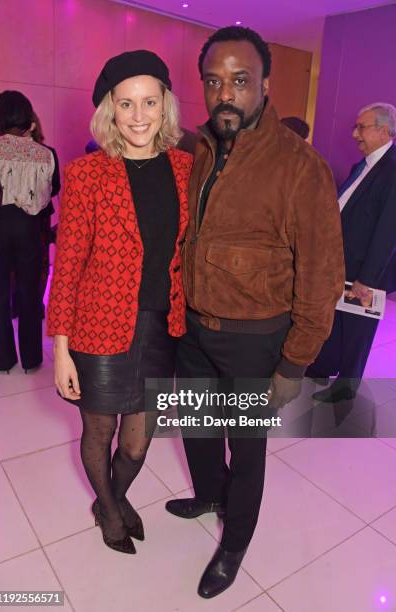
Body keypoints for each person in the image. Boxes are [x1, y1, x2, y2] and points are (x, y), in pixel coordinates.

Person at [164, 26, 344, 598]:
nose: (226, 94)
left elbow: (321, 279)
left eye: (240, 81)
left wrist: (293, 365)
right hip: (193, 328)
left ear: (265, 85)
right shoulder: (196, 148)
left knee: (246, 446)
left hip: (255, 339)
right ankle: (209, 495)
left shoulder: (300, 167)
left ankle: (235, 539)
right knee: (195, 428)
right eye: (214, 81)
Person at [47, 50, 192, 554]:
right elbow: (66, 267)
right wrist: (61, 349)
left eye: (149, 102)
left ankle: (115, 492)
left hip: (161, 328)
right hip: (96, 328)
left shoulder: (186, 170)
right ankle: (109, 509)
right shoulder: (87, 173)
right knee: (100, 428)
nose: (138, 116)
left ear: (165, 105)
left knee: (138, 441)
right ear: (109, 108)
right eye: (125, 103)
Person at [308, 102, 396, 403]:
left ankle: (346, 388)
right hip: (343, 263)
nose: (354, 133)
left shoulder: (393, 169)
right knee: (335, 317)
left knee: (358, 330)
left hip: (367, 271)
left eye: (362, 127)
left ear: (383, 131)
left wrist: (367, 279)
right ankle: (321, 366)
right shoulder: (364, 164)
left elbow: (388, 232)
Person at [0, 91, 54, 373]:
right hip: (30, 228)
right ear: (27, 116)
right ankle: (32, 359)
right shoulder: (47, 153)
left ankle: (3, 360)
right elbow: (55, 189)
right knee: (29, 293)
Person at [11, 112, 61, 318]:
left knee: (25, 262)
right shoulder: (47, 152)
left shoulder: (46, 152)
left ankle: (22, 305)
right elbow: (55, 186)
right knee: (37, 263)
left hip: (24, 216)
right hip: (39, 216)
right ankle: (32, 306)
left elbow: (55, 186)